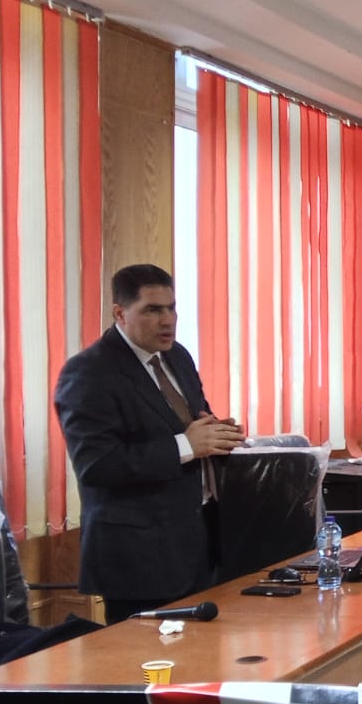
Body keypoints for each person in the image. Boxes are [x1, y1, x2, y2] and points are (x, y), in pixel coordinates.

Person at [53, 264, 245, 623]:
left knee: (203, 652)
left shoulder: (177, 357)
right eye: (153, 310)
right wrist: (186, 446)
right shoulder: (89, 372)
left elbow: (191, 425)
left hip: (198, 542)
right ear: (120, 314)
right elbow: (96, 464)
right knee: (148, 656)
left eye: (171, 308)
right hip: (139, 558)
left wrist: (219, 434)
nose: (167, 320)